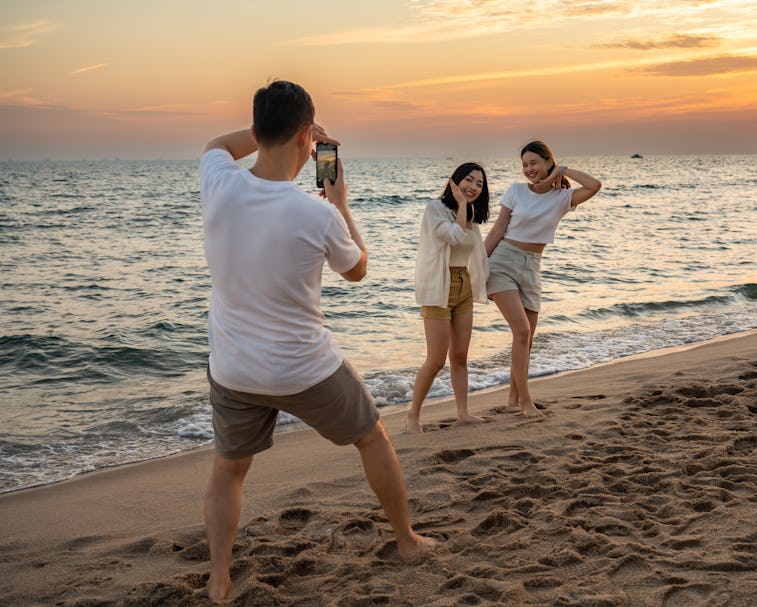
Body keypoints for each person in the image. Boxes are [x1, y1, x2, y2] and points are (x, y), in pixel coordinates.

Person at [200, 80, 434, 602]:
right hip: (303, 368)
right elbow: (358, 270)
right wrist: (342, 203)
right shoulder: (317, 213)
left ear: (257, 130)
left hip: (233, 368)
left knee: (228, 471)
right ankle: (407, 541)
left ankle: (218, 579)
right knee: (372, 436)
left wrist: (265, 133)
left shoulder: (218, 181)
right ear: (310, 137)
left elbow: (217, 144)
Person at [484, 141, 601, 417]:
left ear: (548, 162)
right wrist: (479, 265)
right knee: (522, 331)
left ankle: (513, 399)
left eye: (534, 163)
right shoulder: (515, 191)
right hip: (502, 261)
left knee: (526, 338)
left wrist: (563, 170)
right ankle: (526, 403)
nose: (528, 169)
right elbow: (498, 229)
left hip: (532, 267)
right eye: (524, 165)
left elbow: (594, 185)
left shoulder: (563, 198)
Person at [405, 163, 490, 433]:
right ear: (454, 182)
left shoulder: (472, 215)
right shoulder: (435, 210)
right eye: (469, 180)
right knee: (436, 359)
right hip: (438, 289)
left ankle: (463, 413)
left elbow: (475, 253)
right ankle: (412, 418)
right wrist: (463, 205)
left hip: (462, 285)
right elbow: (453, 237)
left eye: (479, 183)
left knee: (461, 356)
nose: (474, 187)